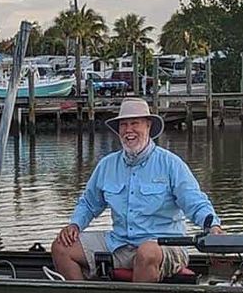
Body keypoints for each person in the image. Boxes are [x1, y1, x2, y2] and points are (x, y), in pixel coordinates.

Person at [51, 97, 222, 282]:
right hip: (119, 243)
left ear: (148, 126)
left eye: (135, 123)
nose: (128, 130)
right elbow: (89, 203)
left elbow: (195, 202)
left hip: (166, 245)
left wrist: (212, 226)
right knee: (61, 247)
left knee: (147, 251)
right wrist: (75, 225)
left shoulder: (171, 164)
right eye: (123, 125)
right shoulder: (107, 165)